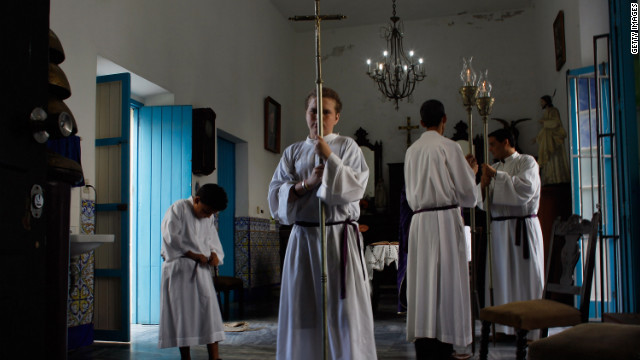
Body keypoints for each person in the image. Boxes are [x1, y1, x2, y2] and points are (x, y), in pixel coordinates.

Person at [268, 87, 377, 360]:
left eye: (325, 112)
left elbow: (354, 189)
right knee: (304, 310)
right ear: (306, 114)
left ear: (337, 116)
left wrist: (329, 155)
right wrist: (306, 185)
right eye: (313, 111)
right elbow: (275, 196)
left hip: (338, 239)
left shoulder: (347, 146)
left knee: (344, 310)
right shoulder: (292, 152)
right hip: (304, 239)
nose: (319, 117)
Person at [404, 99, 478, 360]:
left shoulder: (411, 151)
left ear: (422, 122)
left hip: (420, 222)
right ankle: (446, 341)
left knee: (423, 282)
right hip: (445, 220)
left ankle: (424, 342)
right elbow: (469, 196)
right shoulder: (450, 147)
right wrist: (472, 172)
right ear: (444, 120)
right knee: (447, 283)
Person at [479, 128, 544, 338]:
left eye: (493, 144)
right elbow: (483, 203)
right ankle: (502, 327)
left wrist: (497, 176)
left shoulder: (527, 162)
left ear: (506, 142)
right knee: (500, 277)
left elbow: (525, 189)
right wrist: (483, 184)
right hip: (499, 230)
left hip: (522, 228)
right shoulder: (494, 167)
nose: (490, 149)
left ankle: (531, 326)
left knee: (527, 276)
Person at [158, 183, 228, 360]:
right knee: (184, 316)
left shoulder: (208, 217)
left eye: (212, 213)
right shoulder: (178, 208)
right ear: (196, 200)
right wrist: (193, 254)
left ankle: (215, 357)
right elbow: (171, 237)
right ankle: (186, 357)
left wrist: (214, 254)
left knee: (210, 314)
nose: (208, 215)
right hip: (179, 269)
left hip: (201, 270)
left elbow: (213, 240)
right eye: (206, 211)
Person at [534, 95, 570, 185]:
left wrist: (544, 122)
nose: (540, 104)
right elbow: (545, 128)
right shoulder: (546, 111)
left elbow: (556, 123)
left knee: (554, 159)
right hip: (547, 138)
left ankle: (557, 178)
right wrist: (538, 137)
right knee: (548, 161)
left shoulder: (554, 110)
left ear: (546, 102)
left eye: (542, 102)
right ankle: (550, 179)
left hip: (553, 139)